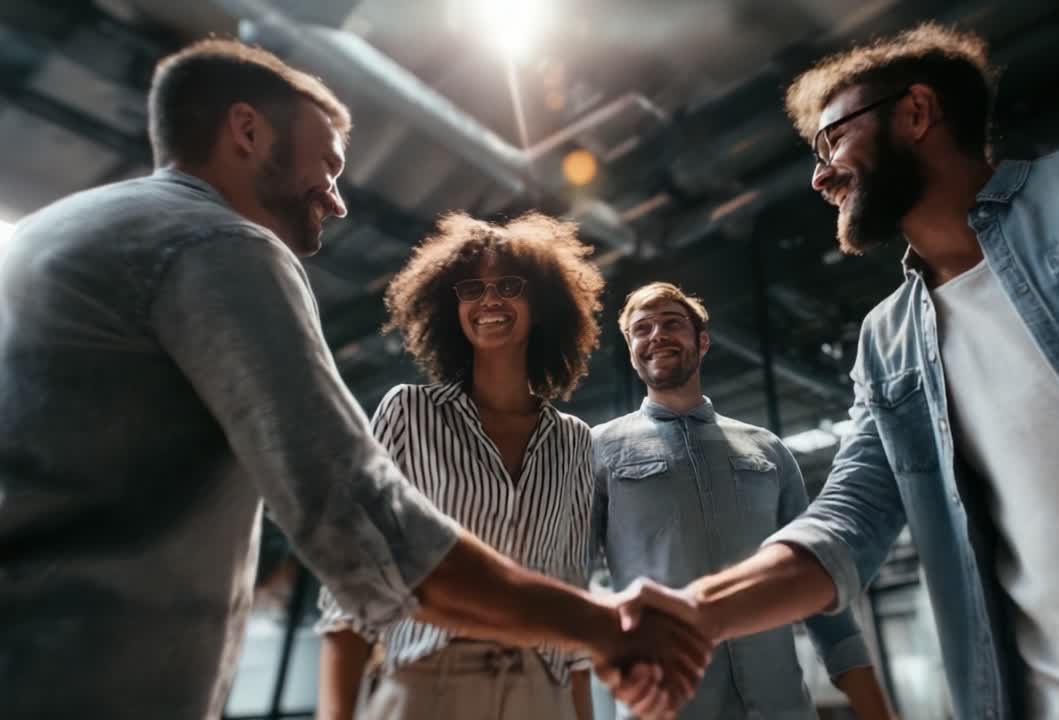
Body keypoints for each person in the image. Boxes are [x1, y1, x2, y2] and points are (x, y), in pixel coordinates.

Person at [0, 39, 707, 720]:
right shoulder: (220, 242)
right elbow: (351, 511)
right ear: (246, 130)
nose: (336, 199)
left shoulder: (50, 234)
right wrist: (605, 624)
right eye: (327, 165)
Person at [604, 22, 1059, 720]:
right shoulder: (889, 341)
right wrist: (695, 612)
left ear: (916, 113)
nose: (820, 173)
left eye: (832, 139)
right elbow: (848, 520)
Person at [315, 212, 605, 720]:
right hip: (429, 685)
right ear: (451, 307)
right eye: (472, 288)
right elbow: (356, 571)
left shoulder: (575, 442)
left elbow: (572, 590)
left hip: (542, 694)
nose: (489, 299)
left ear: (540, 305)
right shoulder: (408, 412)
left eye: (509, 286)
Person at [591, 282, 896, 720]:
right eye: (642, 329)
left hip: (782, 708)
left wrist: (876, 711)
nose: (656, 335)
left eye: (671, 323)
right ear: (632, 350)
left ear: (702, 341)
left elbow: (819, 580)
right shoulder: (597, 450)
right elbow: (577, 586)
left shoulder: (768, 450)